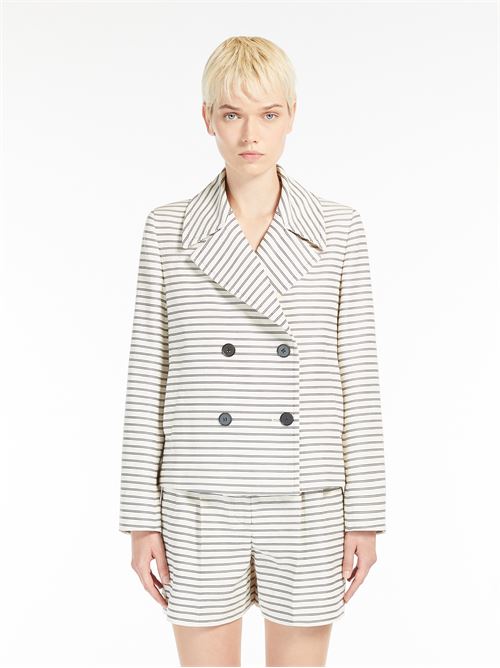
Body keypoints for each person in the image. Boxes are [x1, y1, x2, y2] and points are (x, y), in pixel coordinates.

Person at [118, 36, 387, 667]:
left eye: (268, 114)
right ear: (206, 118)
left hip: (307, 496)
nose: (250, 134)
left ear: (292, 115)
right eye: (232, 114)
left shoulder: (338, 229)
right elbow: (147, 377)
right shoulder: (168, 229)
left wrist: (365, 515)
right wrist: (140, 518)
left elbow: (359, 377)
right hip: (199, 496)